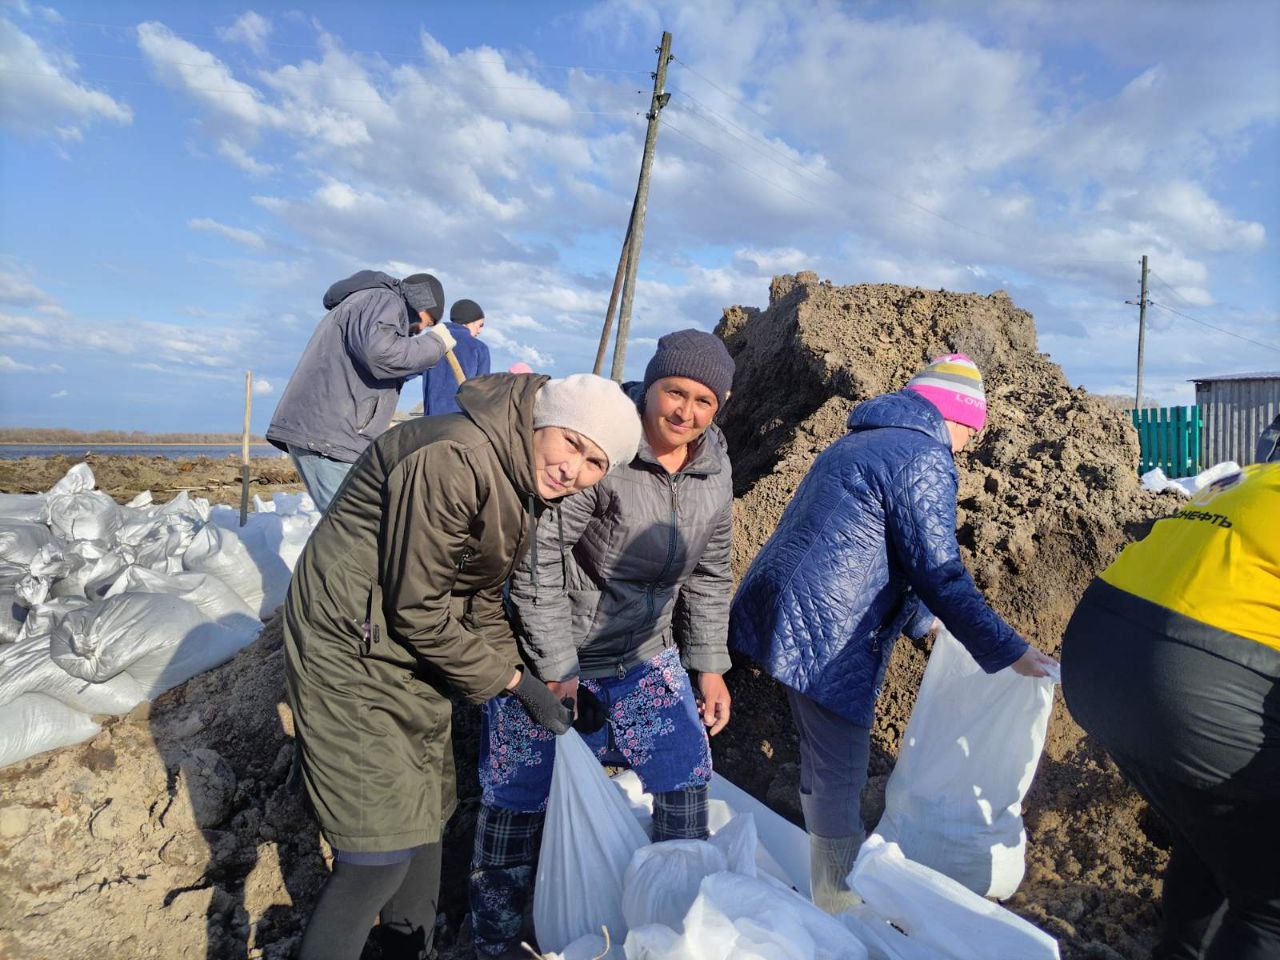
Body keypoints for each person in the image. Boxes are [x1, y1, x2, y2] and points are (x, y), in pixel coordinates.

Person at [283, 372, 642, 960]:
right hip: (349, 646)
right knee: (376, 857)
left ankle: (406, 950)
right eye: (572, 443)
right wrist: (514, 682)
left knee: (424, 823)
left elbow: (476, 601)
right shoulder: (456, 456)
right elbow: (418, 608)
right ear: (541, 419)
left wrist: (541, 679)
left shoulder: (519, 481)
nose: (573, 468)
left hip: (403, 647)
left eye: (596, 463)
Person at [729, 353, 1058, 913]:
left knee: (822, 759)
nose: (966, 445)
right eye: (967, 430)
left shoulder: (863, 440)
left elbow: (869, 546)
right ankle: (838, 903)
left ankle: (827, 881)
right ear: (951, 416)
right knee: (841, 770)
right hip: (828, 630)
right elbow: (938, 569)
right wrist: (1011, 651)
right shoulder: (922, 454)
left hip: (790, 611)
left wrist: (924, 622)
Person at [470, 329, 737, 958]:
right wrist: (557, 670)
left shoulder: (714, 469)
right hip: (545, 655)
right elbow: (536, 564)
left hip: (643, 654)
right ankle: (493, 939)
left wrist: (708, 666)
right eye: (675, 392)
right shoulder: (608, 450)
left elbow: (711, 570)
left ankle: (672, 926)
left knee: (684, 773)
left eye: (704, 401)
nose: (686, 412)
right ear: (652, 387)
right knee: (516, 794)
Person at [1061, 463, 1279, 960]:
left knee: (1216, 838)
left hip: (1098, 650)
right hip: (1187, 673)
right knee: (1271, 902)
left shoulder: (1252, 482)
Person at [267, 270, 458, 511]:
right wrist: (436, 343)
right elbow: (382, 355)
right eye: (428, 323)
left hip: (331, 435)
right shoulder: (384, 301)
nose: (420, 331)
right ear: (422, 305)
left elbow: (380, 365)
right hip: (330, 438)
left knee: (350, 529)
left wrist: (421, 361)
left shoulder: (371, 304)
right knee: (353, 530)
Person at [422, 299, 491, 416]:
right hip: (461, 424)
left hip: (431, 422)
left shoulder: (431, 340)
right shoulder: (479, 348)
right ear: (471, 321)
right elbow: (482, 391)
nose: (480, 330)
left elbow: (407, 369)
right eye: (481, 325)